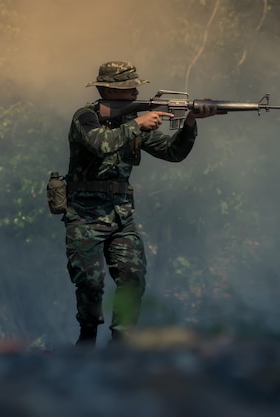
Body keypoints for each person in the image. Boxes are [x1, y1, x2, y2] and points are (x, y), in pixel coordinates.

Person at [65, 61, 219, 346]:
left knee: (133, 277)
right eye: (129, 87)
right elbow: (101, 144)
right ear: (110, 89)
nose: (136, 92)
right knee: (90, 282)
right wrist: (137, 124)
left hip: (121, 217)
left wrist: (190, 122)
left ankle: (121, 343)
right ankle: (87, 338)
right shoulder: (85, 117)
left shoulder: (131, 122)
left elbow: (173, 153)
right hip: (85, 216)